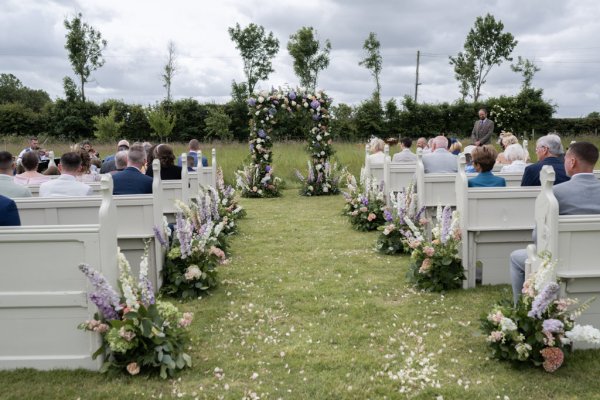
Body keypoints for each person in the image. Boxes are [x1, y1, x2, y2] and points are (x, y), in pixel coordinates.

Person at [510, 142, 600, 304]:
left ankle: (520, 307)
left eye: (565, 159)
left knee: (517, 257)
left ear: (572, 162)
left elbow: (539, 237)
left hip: (563, 261)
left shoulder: (554, 194)